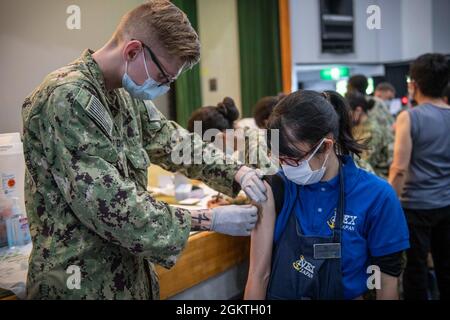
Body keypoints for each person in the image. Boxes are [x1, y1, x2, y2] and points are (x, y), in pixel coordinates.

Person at [21, 1, 267, 300]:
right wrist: (208, 219)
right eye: (163, 78)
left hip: (128, 279)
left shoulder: (125, 97)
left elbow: (172, 141)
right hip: (80, 285)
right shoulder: (66, 98)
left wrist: (236, 171)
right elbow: (111, 206)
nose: (163, 87)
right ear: (133, 51)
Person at [244, 90, 409, 300]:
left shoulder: (377, 196)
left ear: (326, 145)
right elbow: (258, 275)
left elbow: (386, 283)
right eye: (279, 157)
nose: (285, 166)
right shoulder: (274, 188)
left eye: (294, 159)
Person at [389, 53, 450, 300]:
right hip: (446, 204)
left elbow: (400, 168)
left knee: (415, 269)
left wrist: (389, 203)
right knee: (446, 267)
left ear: (414, 84)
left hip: (415, 206)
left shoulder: (409, 117)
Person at [187, 97, 278, 175]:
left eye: (210, 148)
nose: (215, 156)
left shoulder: (257, 148)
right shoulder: (247, 144)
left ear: (221, 136)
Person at [347, 93, 393, 178]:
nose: (346, 117)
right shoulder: (358, 127)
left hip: (378, 177)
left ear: (358, 110)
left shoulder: (371, 131)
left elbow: (363, 163)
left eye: (348, 112)